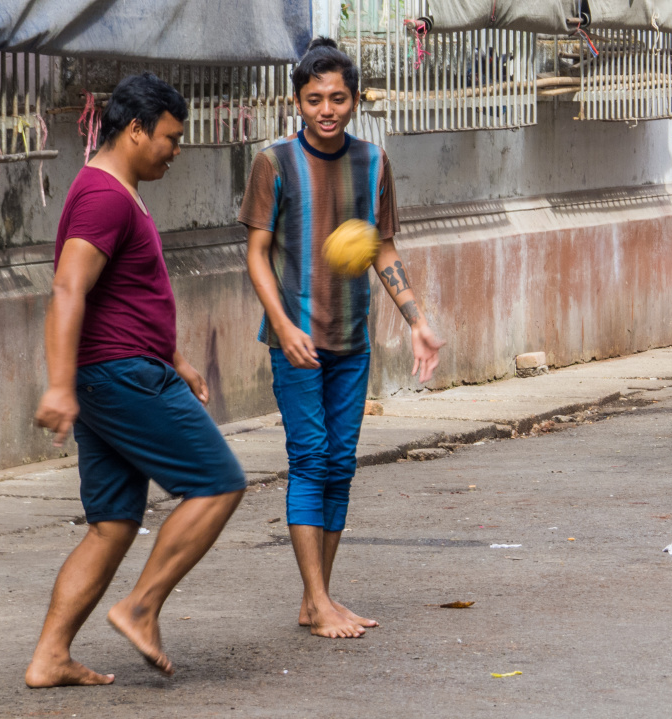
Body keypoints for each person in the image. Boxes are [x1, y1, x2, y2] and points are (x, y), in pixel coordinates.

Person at [27, 73, 246, 687]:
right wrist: (58, 384)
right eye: (171, 138)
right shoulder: (105, 197)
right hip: (121, 375)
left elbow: (121, 297)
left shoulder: (112, 189)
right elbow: (69, 289)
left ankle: (50, 656)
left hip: (116, 371)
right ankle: (141, 607)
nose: (176, 151)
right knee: (218, 483)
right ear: (135, 130)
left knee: (114, 524)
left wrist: (174, 357)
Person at [240, 38, 444, 639]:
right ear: (297, 102)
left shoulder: (374, 162)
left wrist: (417, 320)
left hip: (353, 339)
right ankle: (317, 599)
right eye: (314, 99)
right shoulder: (274, 163)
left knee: (340, 464)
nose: (326, 110)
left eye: (337, 98)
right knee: (309, 460)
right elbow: (255, 255)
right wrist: (282, 325)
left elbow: (383, 248)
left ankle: (318, 599)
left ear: (355, 99)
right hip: (296, 342)